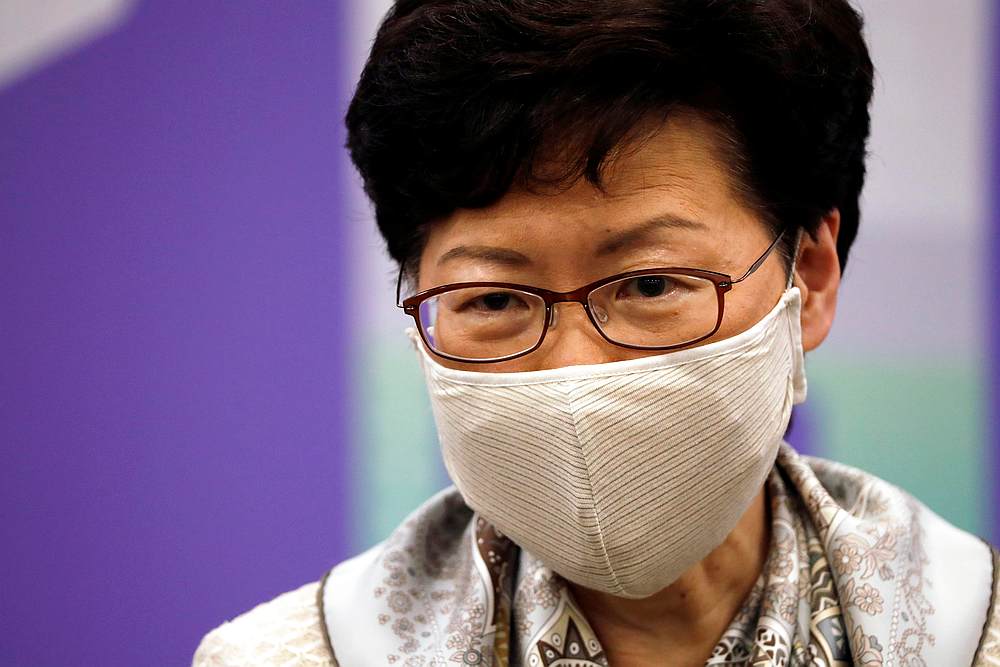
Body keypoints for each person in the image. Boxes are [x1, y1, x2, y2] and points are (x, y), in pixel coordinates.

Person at [193, 1, 1000, 665]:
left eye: (650, 283)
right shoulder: (293, 656)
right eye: (496, 299)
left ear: (811, 275)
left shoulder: (973, 632)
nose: (576, 371)